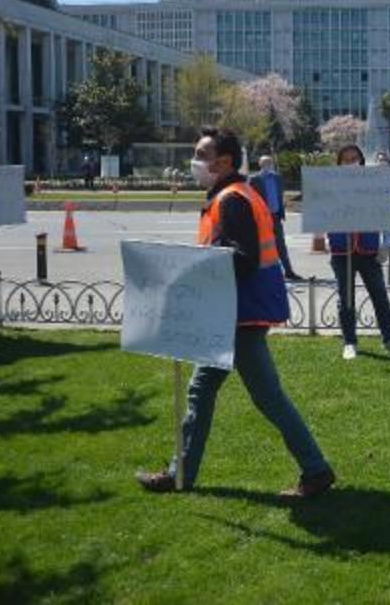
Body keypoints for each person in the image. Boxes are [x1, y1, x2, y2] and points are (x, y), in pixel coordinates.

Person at [136, 127, 334, 497]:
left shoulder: (232, 200)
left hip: (239, 314)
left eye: (201, 155)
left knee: (267, 397)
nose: (194, 161)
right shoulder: (233, 194)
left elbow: (244, 260)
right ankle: (180, 474)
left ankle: (316, 469)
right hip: (232, 312)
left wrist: (190, 269)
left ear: (224, 162)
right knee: (201, 391)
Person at [328, 144, 390, 360]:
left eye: (354, 158)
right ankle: (350, 342)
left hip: (369, 250)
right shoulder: (330, 186)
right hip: (342, 251)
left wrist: (387, 243)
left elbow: (385, 214)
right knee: (346, 299)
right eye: (346, 160)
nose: (351, 163)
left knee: (380, 296)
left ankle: (389, 338)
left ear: (362, 160)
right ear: (339, 163)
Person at [250, 154, 303, 282]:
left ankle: (288, 271)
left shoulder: (277, 178)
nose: (267, 166)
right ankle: (260, 274)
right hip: (262, 218)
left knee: (281, 245)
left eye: (269, 163)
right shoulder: (254, 180)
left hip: (276, 216)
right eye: (265, 163)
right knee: (261, 246)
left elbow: (279, 195)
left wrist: (281, 209)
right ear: (260, 165)